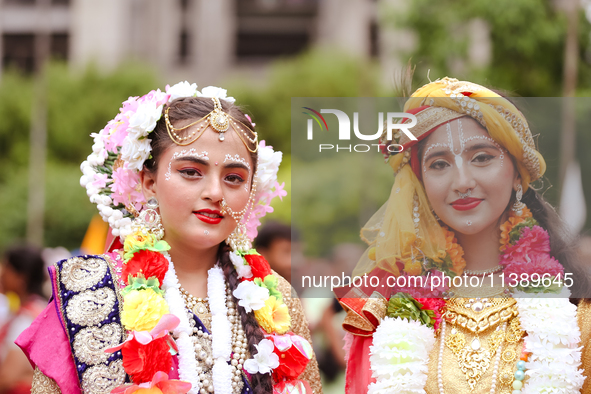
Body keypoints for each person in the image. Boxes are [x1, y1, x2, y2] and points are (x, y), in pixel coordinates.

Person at [16, 82, 322, 394]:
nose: (215, 193)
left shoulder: (277, 297)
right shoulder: (88, 287)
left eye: (233, 178)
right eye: (191, 172)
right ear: (148, 182)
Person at [335, 77, 591, 393]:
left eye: (482, 157)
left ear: (516, 173)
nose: (462, 181)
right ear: (421, 185)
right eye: (439, 164)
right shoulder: (385, 313)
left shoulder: (575, 312)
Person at [0, 245, 47, 394]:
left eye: (7, 269)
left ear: (22, 277)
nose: (2, 275)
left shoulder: (27, 319)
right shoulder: (37, 309)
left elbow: (6, 377)